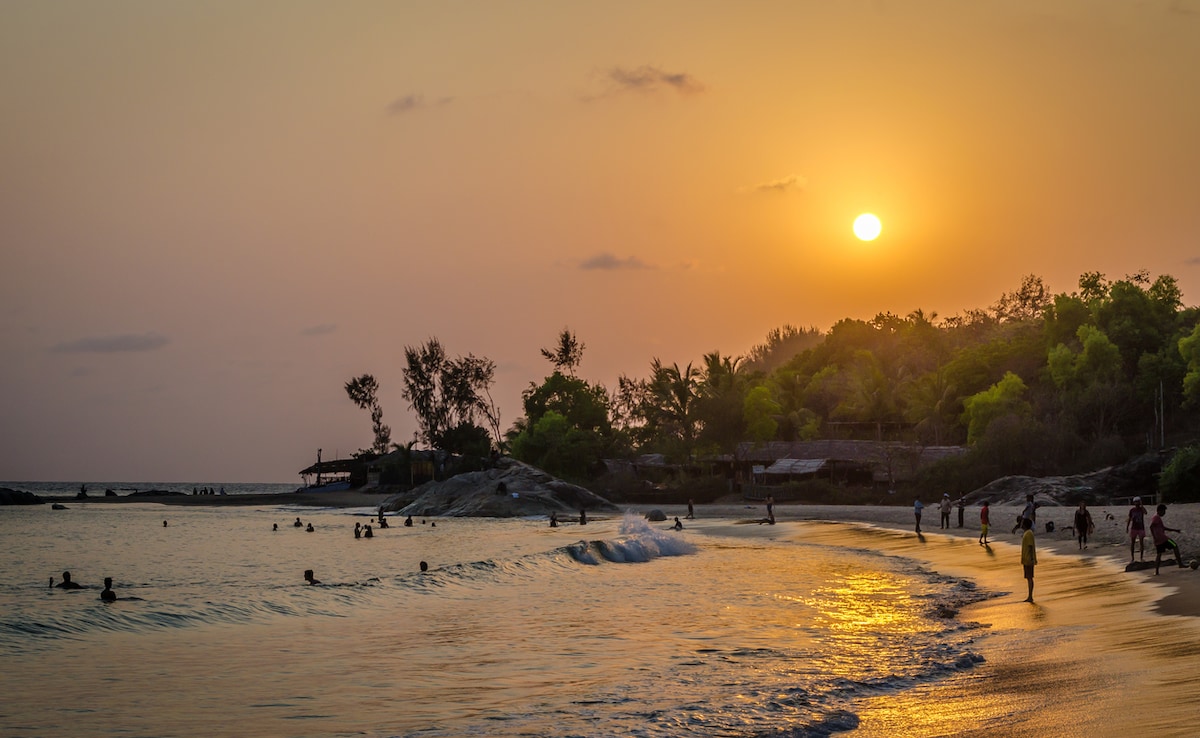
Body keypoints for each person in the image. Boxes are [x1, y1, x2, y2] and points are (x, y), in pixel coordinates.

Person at [1149, 504, 1184, 575]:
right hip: (1163, 539)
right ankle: (1180, 564)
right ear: (1160, 511)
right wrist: (1154, 536)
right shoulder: (1156, 517)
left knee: (1159, 554)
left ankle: (1156, 571)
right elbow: (1151, 526)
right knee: (1175, 546)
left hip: (1158, 540)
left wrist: (1174, 530)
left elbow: (1163, 528)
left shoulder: (1156, 517)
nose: (1164, 513)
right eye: (1164, 511)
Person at [1021, 517, 1037, 603]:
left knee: (1030, 578)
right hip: (1026, 559)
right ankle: (1029, 596)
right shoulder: (1027, 533)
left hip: (1028, 559)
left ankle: (1030, 596)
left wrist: (1031, 559)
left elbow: (1030, 546)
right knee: (1028, 578)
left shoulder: (1029, 533)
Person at [1127, 497, 1148, 562]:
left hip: (1141, 527)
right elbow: (1129, 519)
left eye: (1138, 502)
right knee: (1132, 543)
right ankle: (1132, 558)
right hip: (1134, 528)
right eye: (1136, 502)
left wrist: (1142, 505)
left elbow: (1146, 512)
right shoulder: (1132, 510)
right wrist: (1127, 527)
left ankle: (1141, 557)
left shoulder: (1141, 509)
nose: (1137, 503)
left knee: (1141, 543)